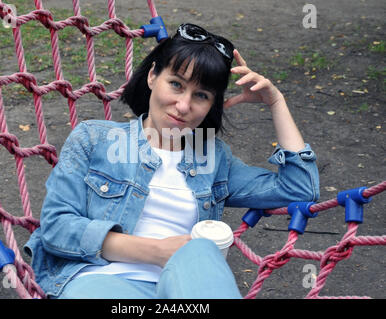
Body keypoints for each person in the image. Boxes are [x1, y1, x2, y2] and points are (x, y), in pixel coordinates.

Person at [24, 23, 319, 299]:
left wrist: (276, 102)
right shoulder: (94, 139)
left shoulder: (214, 159)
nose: (183, 105)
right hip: (99, 280)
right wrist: (158, 251)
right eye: (176, 84)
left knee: (201, 251)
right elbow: (57, 228)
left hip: (186, 285)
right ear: (153, 76)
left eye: (201, 95)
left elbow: (300, 189)